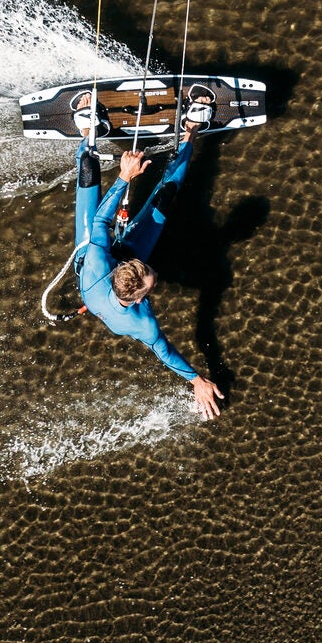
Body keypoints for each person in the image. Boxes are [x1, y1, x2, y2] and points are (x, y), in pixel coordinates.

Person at [73, 100, 226, 420]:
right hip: (122, 260)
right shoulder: (143, 324)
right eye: (152, 280)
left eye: (148, 273)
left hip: (89, 259)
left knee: (88, 171)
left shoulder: (98, 266)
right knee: (165, 197)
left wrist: (124, 178)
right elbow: (165, 352)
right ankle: (191, 130)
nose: (153, 271)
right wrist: (196, 379)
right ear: (138, 298)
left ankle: (88, 131)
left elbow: (100, 222)